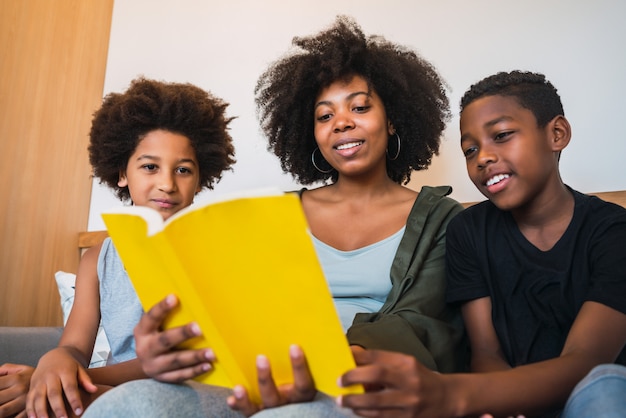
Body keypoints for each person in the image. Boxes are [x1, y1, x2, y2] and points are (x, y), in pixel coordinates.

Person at [82, 15, 467, 418]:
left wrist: (331, 359)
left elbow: (426, 322)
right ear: (311, 132)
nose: (342, 122)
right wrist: (171, 352)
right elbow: (232, 313)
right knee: (129, 405)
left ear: (392, 119)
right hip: (259, 380)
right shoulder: (272, 214)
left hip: (361, 383)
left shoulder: (440, 219)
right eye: (324, 115)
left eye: (360, 107)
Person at [327, 70, 626, 418]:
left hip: (594, 398)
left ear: (556, 134)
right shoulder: (467, 231)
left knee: (605, 383)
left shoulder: (613, 232)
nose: (482, 157)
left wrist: (454, 394)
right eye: (470, 150)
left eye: (501, 135)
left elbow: (587, 362)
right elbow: (486, 353)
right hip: (506, 402)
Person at [15, 77, 235, 418]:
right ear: (122, 172)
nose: (167, 183)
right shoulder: (98, 259)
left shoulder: (216, 250)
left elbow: (181, 364)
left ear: (200, 178)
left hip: (191, 394)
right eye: (150, 167)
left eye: (183, 170)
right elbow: (74, 346)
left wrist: (52, 381)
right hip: (114, 394)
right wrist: (55, 361)